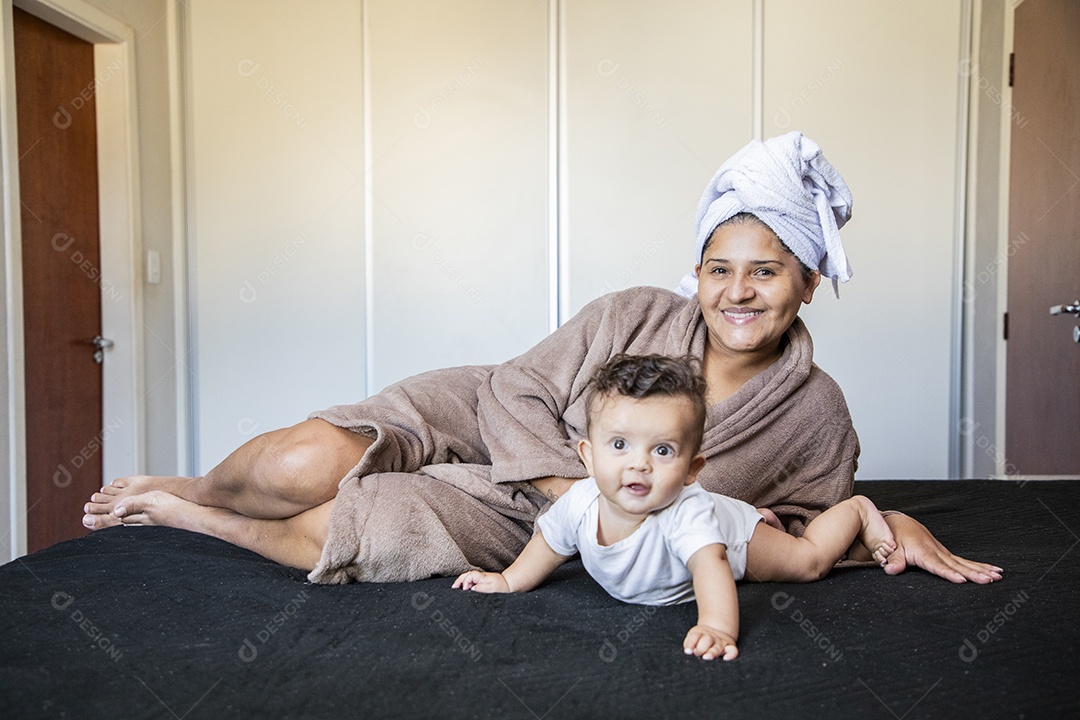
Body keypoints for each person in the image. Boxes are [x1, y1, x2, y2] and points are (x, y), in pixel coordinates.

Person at [81, 131, 1001, 586]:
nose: (738, 292)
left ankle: (189, 520)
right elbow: (519, 386)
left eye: (767, 272)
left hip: (535, 527)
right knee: (298, 464)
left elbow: (786, 534)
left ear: (807, 284)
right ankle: (200, 485)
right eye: (720, 269)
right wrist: (570, 492)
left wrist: (886, 523)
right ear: (697, 273)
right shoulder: (635, 312)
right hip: (497, 423)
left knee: (349, 529)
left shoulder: (817, 412)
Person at [453, 353, 901, 661]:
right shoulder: (580, 502)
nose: (639, 464)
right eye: (620, 444)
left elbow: (710, 568)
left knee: (809, 561)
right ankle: (781, 520)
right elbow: (548, 545)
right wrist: (507, 581)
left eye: (663, 451)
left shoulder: (684, 514)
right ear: (587, 457)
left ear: (692, 468)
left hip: (733, 536)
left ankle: (857, 512)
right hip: (716, 517)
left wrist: (718, 627)